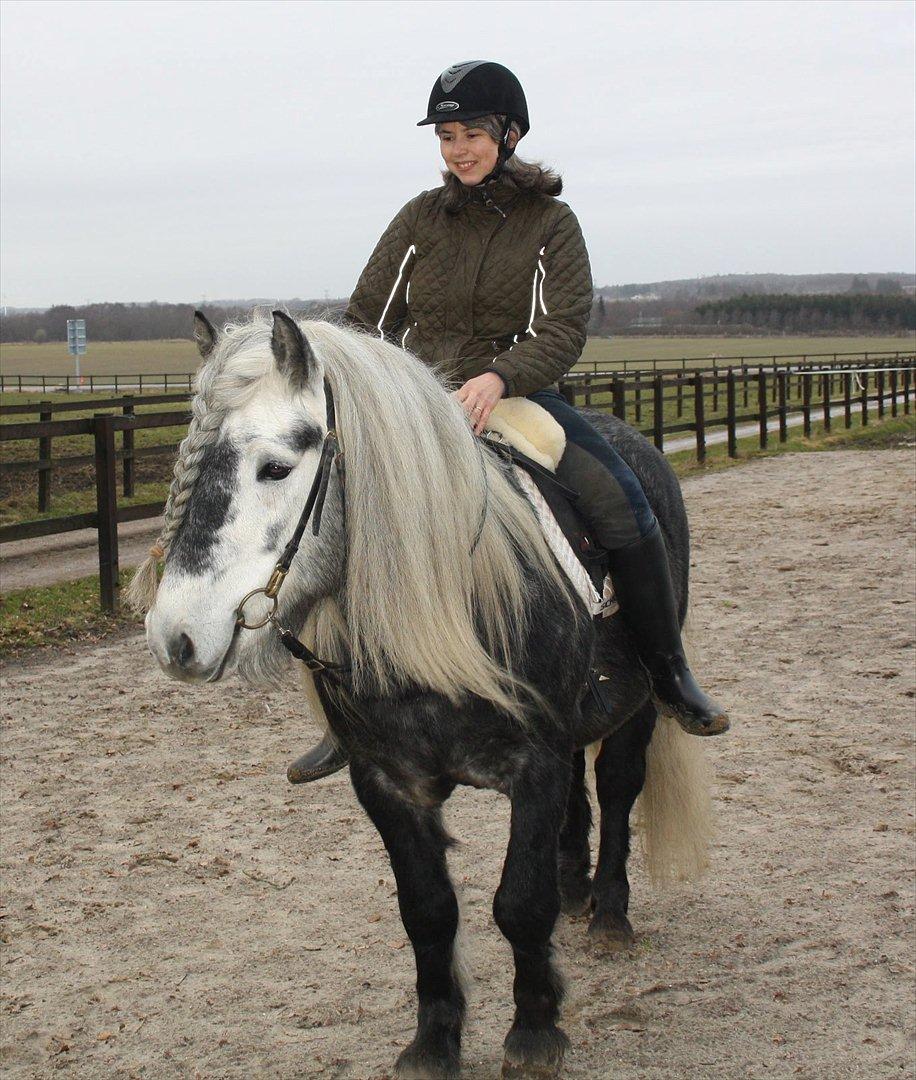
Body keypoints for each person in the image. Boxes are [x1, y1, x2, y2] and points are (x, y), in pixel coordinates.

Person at [289, 60, 728, 784]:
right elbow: (366, 317)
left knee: (621, 498)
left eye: (471, 134)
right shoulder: (417, 219)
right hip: (422, 403)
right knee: (339, 513)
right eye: (447, 136)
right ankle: (349, 712)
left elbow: (562, 329)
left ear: (510, 134)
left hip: (518, 395)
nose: (458, 149)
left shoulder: (551, 222)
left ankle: (668, 670)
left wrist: (499, 375)